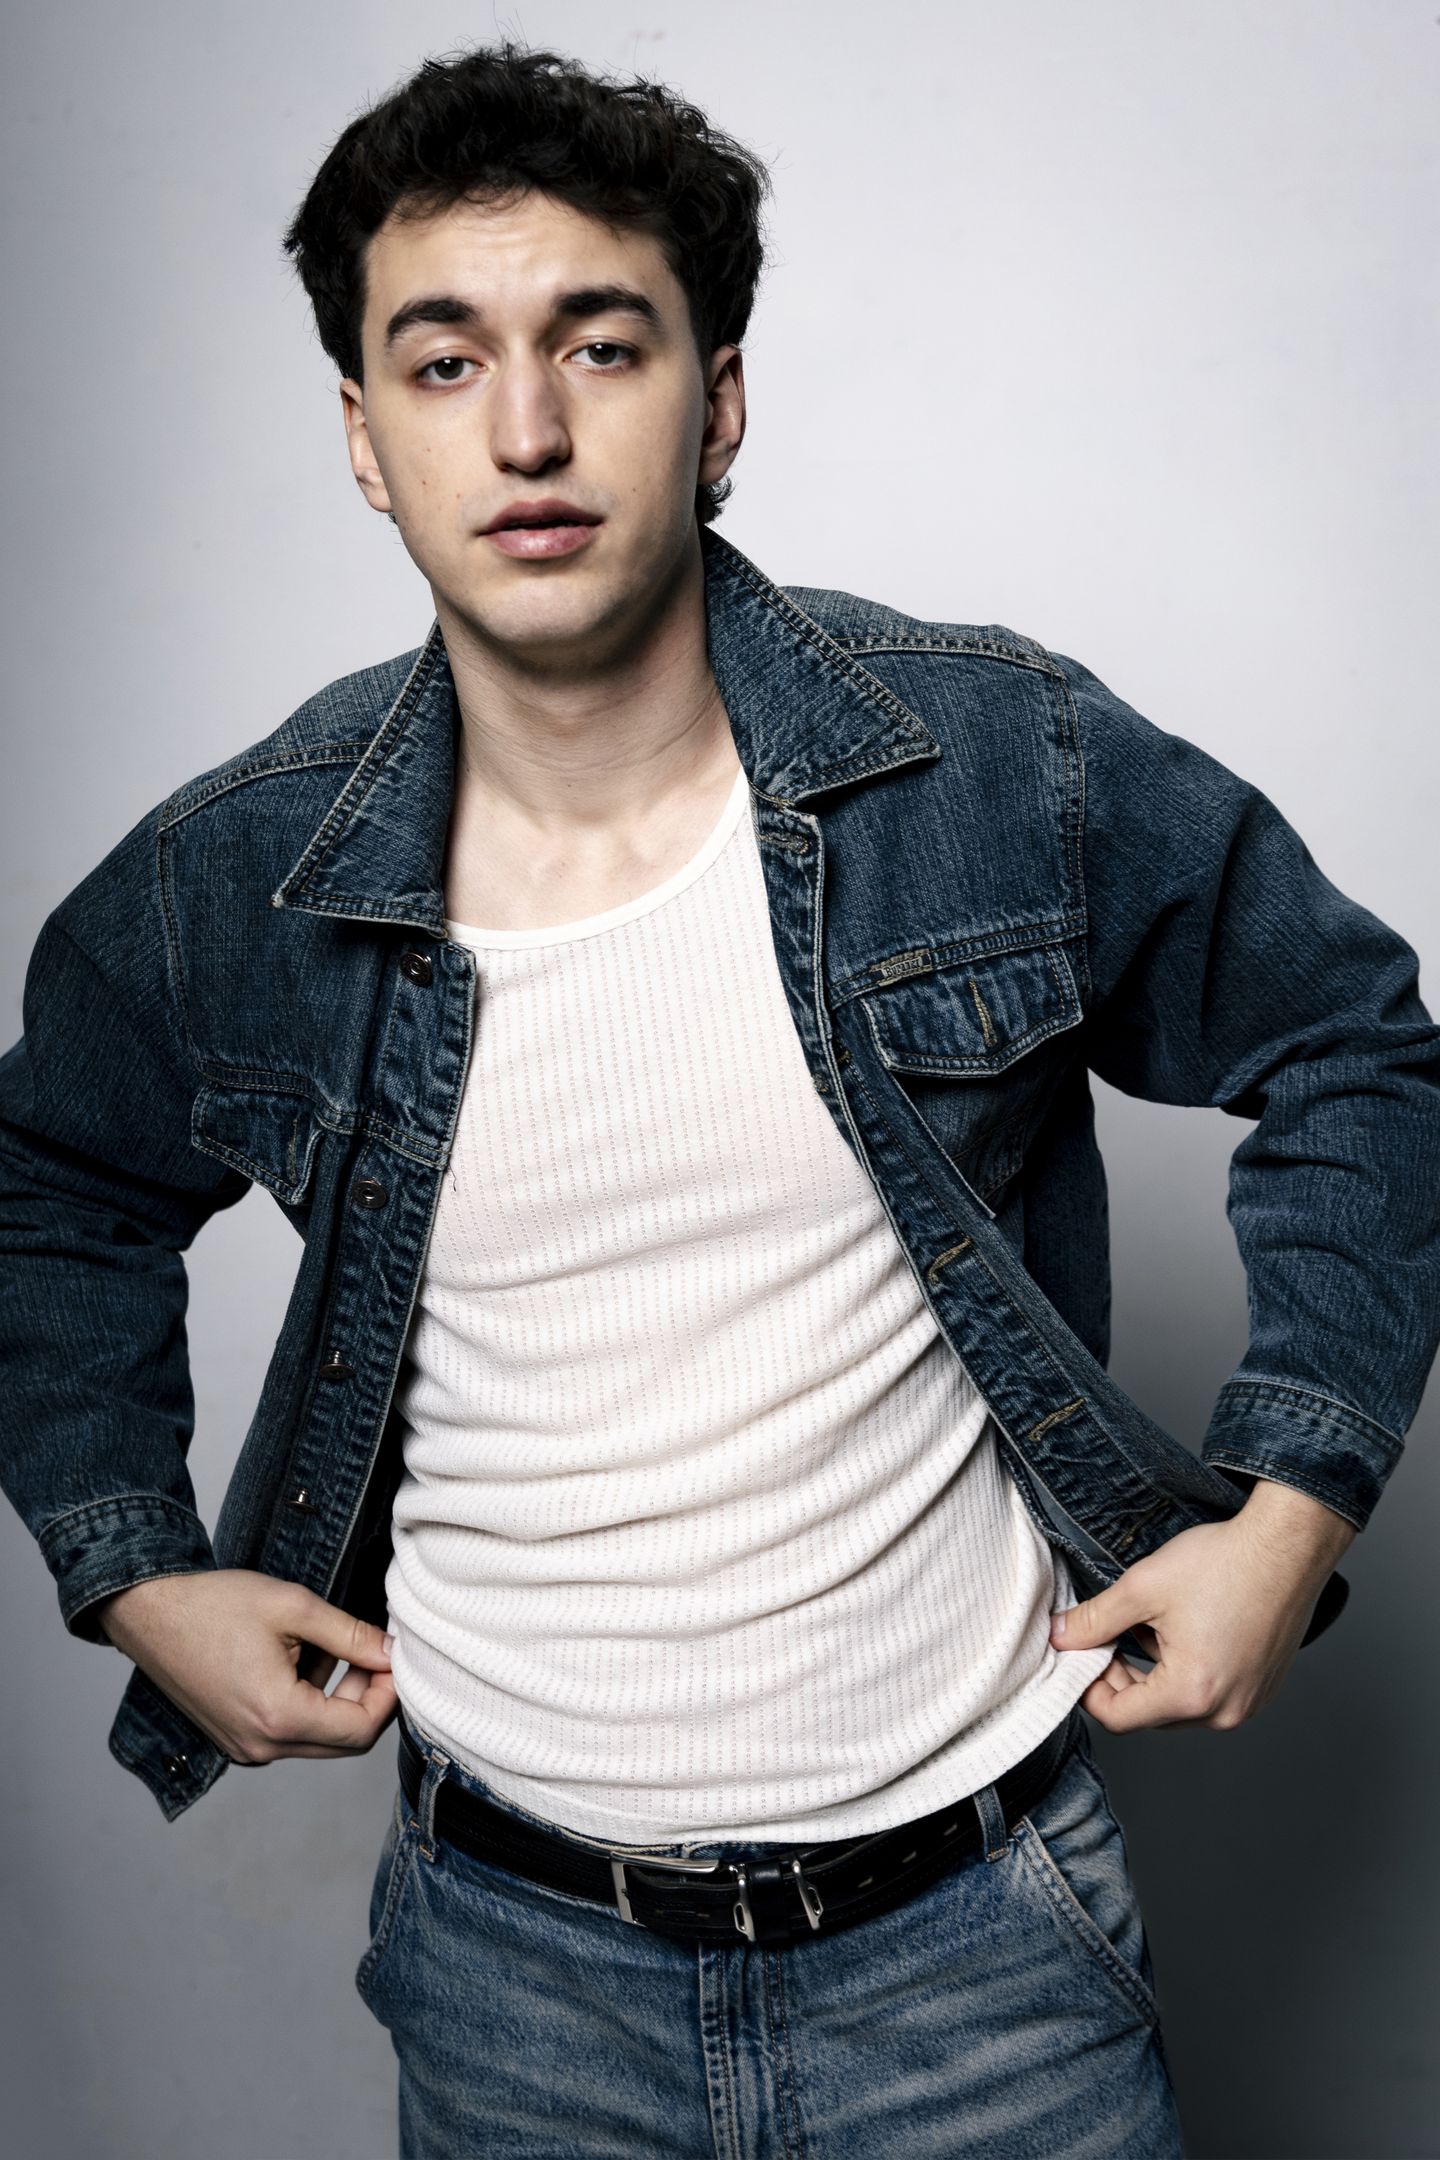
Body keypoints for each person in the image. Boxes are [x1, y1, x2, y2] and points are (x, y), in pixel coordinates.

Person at [1, 37, 1435, 2160]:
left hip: (985, 1962)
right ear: (367, 439)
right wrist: (135, 1573)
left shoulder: (989, 763)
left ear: (721, 401)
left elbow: (1357, 1048)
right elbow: (45, 1186)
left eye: (602, 344)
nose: (528, 430)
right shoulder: (247, 874)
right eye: (443, 363)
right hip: (516, 1983)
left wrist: (1291, 1514)